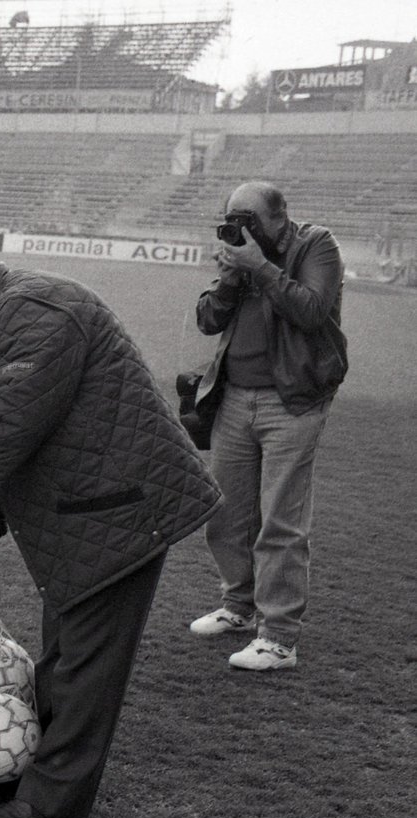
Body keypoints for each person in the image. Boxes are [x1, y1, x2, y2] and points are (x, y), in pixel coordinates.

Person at [0, 230, 221, 818]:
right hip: (92, 511)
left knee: (87, 667)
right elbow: (6, 428)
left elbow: (12, 421)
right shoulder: (3, 317)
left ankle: (48, 808)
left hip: (121, 511)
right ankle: (31, 773)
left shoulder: (34, 312)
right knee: (63, 657)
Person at [188, 181, 347, 671]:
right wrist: (233, 277)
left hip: (293, 400)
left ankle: (278, 637)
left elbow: (312, 310)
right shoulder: (241, 258)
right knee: (228, 515)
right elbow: (207, 320)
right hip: (233, 397)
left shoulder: (316, 245)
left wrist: (259, 266)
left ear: (280, 218)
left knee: (280, 521)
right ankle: (238, 606)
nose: (240, 227)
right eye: (233, 217)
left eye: (249, 218)